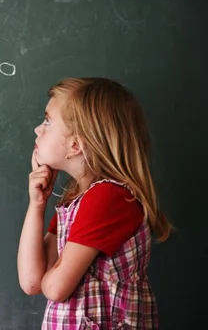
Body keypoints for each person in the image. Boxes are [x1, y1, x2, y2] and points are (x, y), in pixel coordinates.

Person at [17, 77, 172, 329]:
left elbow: (55, 288)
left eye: (47, 122)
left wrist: (50, 276)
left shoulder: (108, 199)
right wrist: (37, 205)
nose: (38, 129)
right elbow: (32, 281)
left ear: (75, 145)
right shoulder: (78, 200)